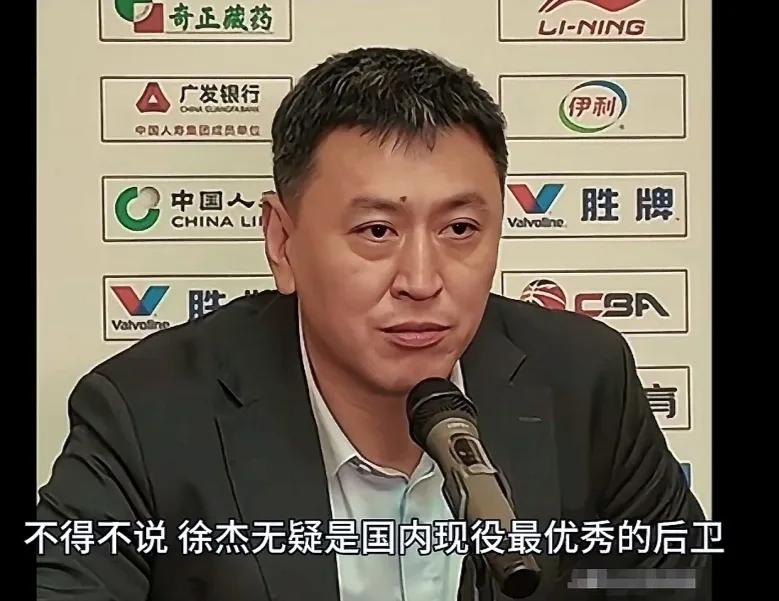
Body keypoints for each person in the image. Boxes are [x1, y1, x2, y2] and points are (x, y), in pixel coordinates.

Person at [36, 47, 708, 600]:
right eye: (377, 231)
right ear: (282, 241)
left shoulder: (584, 381)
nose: (421, 279)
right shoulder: (146, 415)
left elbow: (670, 582)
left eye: (460, 229)